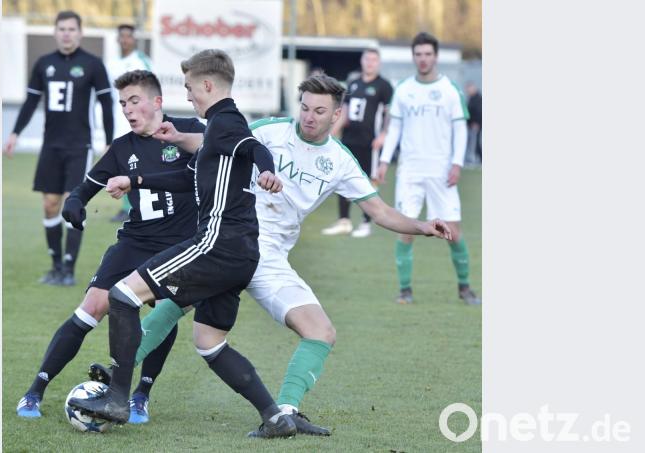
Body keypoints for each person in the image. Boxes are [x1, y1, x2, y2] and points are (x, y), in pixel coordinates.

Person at [100, 74, 452, 436]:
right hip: (233, 239)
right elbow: (217, 142)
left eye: (319, 111)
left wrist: (423, 226)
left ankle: (284, 412)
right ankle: (115, 380)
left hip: (270, 259)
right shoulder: (271, 130)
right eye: (304, 108)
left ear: (336, 115)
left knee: (321, 332)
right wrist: (179, 138)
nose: (309, 117)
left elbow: (380, 211)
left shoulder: (340, 160)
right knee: (175, 303)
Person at [66, 49, 297, 439]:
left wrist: (268, 170)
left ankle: (118, 399)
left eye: (190, 88)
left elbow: (254, 147)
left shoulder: (225, 122)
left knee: (122, 295)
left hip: (215, 244)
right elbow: (185, 179)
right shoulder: (216, 131)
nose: (187, 97)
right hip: (242, 254)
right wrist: (135, 181)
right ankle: (275, 418)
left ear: (207, 85)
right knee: (209, 343)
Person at [15, 70, 205, 418]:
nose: (127, 109)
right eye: (122, 103)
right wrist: (75, 203)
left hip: (178, 246)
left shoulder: (188, 132)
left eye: (134, 101)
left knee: (164, 311)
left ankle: (140, 395)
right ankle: (34, 392)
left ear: (157, 102)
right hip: (135, 241)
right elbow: (84, 189)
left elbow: (198, 168)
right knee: (91, 307)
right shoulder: (122, 147)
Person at [3, 11, 114, 286]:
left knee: (71, 203)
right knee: (50, 204)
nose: (66, 34)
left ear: (80, 32)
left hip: (79, 146)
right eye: (62, 29)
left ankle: (69, 270)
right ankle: (55, 267)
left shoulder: (93, 64)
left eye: (71, 29)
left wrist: (109, 140)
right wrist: (15, 133)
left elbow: (106, 103)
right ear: (55, 32)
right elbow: (31, 102)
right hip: (51, 146)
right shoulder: (44, 64)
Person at [376, 32, 481, 305]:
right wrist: (384, 161)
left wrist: (457, 163)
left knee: (453, 233)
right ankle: (405, 291)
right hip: (409, 172)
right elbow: (394, 128)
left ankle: (465, 288)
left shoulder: (450, 90)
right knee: (405, 231)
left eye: (427, 54)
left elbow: (460, 130)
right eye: (418, 54)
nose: (423, 59)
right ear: (413, 56)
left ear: (436, 56)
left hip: (441, 172)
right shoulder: (404, 89)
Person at [321, 46, 394, 238]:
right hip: (349, 140)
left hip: (370, 143)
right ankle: (344, 221)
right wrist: (331, 133)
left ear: (378, 63)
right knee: (342, 178)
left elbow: (389, 113)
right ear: (362, 61)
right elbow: (344, 113)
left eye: (373, 60)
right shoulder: (353, 84)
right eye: (367, 59)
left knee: (369, 181)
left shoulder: (384, 86)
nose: (370, 63)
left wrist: (384, 134)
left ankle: (366, 222)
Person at [108, 24, 154, 223]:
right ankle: (127, 207)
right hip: (117, 119)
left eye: (129, 36)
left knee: (136, 162)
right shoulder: (112, 63)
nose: (125, 40)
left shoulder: (141, 61)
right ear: (118, 39)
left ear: (134, 39)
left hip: (136, 120)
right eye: (122, 36)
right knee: (122, 162)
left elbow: (151, 90)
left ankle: (136, 206)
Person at [465, 81, 482, 164]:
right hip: (470, 125)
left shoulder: (478, 98)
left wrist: (477, 123)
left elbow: (479, 112)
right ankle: (474, 160)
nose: (468, 91)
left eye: (469, 88)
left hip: (476, 125)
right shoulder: (471, 98)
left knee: (475, 144)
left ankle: (479, 160)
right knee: (472, 143)